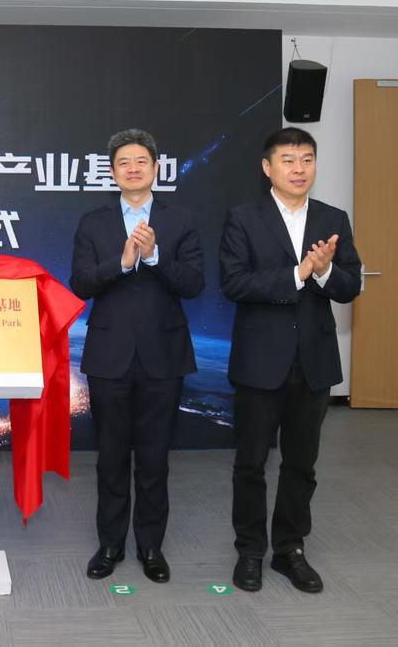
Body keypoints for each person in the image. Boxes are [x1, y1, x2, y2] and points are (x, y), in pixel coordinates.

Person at [220, 127, 361, 594]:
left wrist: (325, 271)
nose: (299, 169)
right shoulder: (244, 218)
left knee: (302, 464)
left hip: (314, 361)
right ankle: (250, 550)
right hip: (260, 361)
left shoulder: (332, 218)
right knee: (251, 463)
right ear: (268, 168)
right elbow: (234, 283)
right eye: (288, 160)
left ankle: (290, 549)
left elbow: (351, 285)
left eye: (307, 159)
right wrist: (298, 273)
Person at [70, 129, 204, 583]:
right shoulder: (93, 222)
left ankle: (150, 546)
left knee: (154, 457)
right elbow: (81, 283)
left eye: (141, 161)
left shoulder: (181, 220)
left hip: (164, 354)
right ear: (112, 172)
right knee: (110, 456)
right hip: (109, 355)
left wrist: (156, 256)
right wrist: (124, 262)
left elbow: (194, 284)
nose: (133, 168)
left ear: (156, 168)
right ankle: (110, 544)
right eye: (124, 162)